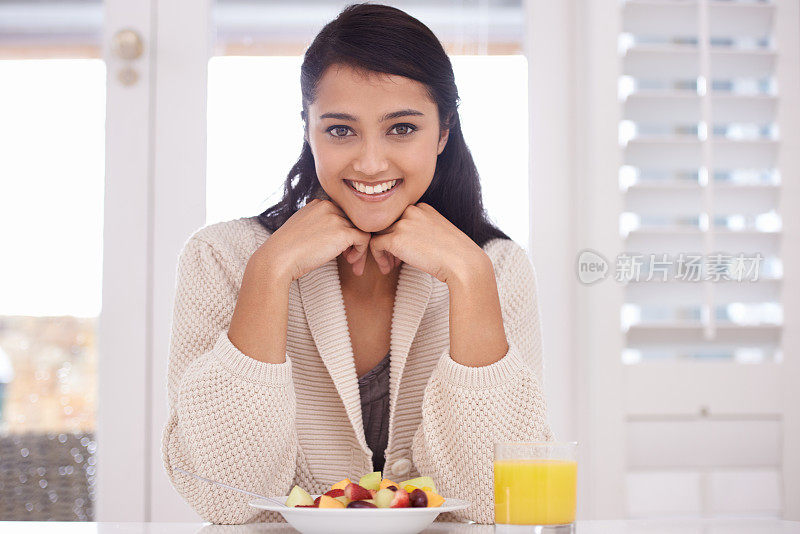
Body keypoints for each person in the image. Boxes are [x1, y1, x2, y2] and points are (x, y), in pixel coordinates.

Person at [162, 2, 553, 525]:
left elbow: (493, 501)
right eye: (341, 130)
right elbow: (226, 498)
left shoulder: (495, 268)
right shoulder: (223, 258)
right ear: (309, 130)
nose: (370, 162)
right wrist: (269, 271)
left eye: (402, 129)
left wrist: (469, 277)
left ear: (443, 132)